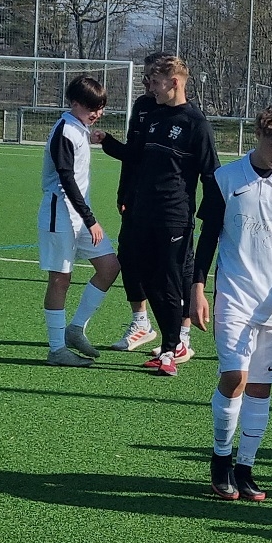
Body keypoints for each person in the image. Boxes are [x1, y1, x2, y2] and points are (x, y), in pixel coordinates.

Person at [191, 102, 272, 502]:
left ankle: (245, 467)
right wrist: (197, 288)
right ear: (259, 134)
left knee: (261, 387)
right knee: (235, 377)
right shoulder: (225, 178)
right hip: (234, 295)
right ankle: (220, 459)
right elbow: (207, 238)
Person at [121, 56, 219, 376]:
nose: (151, 87)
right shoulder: (154, 116)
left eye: (156, 82)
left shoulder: (196, 124)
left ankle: (170, 350)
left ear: (174, 82)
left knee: (170, 283)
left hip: (174, 216)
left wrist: (211, 216)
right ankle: (169, 343)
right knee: (146, 278)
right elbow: (136, 159)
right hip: (143, 213)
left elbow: (211, 175)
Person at [38, 75, 121, 366]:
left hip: (78, 213)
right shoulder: (64, 131)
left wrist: (92, 137)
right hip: (60, 212)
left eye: (100, 107)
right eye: (92, 108)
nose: (98, 113)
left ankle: (76, 328)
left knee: (109, 267)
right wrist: (91, 219)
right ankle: (57, 349)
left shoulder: (78, 127)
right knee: (60, 279)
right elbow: (66, 180)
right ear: (74, 103)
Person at [96, 53, 163, 352]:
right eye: (145, 77)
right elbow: (133, 155)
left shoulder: (184, 115)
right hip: (136, 199)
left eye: (152, 77)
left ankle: (180, 335)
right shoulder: (142, 105)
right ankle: (141, 322)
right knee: (129, 258)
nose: (147, 83)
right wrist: (123, 193)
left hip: (166, 205)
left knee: (168, 267)